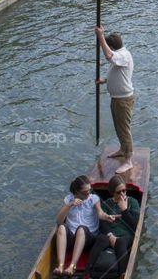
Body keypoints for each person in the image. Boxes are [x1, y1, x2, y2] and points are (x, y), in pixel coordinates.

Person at [53, 174, 114, 276]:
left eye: (90, 191)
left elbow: (100, 214)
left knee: (81, 229)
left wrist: (107, 217)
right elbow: (59, 221)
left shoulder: (93, 199)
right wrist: (69, 205)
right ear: (77, 192)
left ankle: (72, 266)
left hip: (88, 238)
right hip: (71, 238)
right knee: (62, 227)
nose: (88, 194)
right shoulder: (68, 199)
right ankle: (60, 265)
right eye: (85, 193)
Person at [95, 26, 135, 174]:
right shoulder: (120, 55)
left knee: (124, 129)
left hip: (123, 100)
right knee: (119, 127)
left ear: (112, 47)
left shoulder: (123, 55)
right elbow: (118, 74)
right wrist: (104, 80)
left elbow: (109, 56)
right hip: (117, 98)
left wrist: (100, 37)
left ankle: (128, 161)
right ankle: (122, 149)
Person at [87, 174, 141, 278]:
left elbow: (135, 225)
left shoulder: (132, 202)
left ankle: (123, 274)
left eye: (124, 191)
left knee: (121, 242)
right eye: (118, 192)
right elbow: (103, 223)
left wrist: (125, 210)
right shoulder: (106, 203)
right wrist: (110, 235)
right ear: (112, 192)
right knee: (101, 239)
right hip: (111, 235)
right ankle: (88, 271)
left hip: (126, 236)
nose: (122, 195)